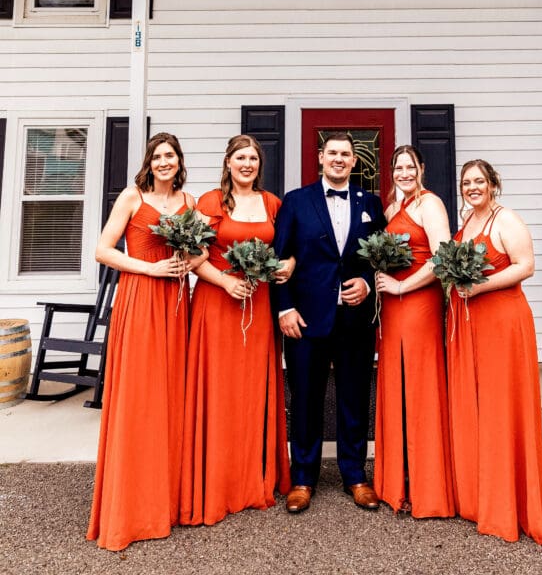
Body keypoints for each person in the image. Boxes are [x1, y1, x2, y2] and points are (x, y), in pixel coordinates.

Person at [87, 132, 205, 552]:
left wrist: (189, 262)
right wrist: (150, 269)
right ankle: (131, 503)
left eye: (170, 156)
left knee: (172, 395)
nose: (164, 162)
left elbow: (202, 254)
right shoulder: (131, 197)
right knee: (139, 396)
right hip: (139, 299)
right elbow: (103, 250)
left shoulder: (190, 204)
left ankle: (167, 498)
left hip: (177, 304)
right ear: (149, 162)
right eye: (158, 157)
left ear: (179, 161)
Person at [180, 134, 292, 524]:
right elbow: (191, 253)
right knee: (219, 389)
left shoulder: (272, 203)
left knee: (251, 388)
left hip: (258, 306)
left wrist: (289, 265)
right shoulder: (210, 202)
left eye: (253, 159)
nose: (247, 164)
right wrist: (225, 281)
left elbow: (290, 247)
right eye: (240, 157)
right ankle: (216, 479)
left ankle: (252, 477)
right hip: (217, 304)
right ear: (227, 162)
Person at [274, 131, 385, 514]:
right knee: (305, 399)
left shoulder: (370, 202)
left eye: (346, 155)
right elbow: (280, 258)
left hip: (354, 319)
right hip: (305, 319)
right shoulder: (295, 201)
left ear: (355, 162)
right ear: (320, 157)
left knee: (355, 397)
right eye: (332, 153)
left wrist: (368, 283)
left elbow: (382, 257)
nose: (339, 159)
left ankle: (355, 475)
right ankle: (303, 478)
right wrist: (284, 308)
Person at [446, 159, 542, 546]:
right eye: (466, 182)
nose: (472, 187)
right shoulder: (467, 224)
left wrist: (479, 286)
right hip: (471, 325)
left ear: (493, 184)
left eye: (479, 181)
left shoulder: (506, 220)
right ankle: (481, 496)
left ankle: (510, 501)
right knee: (478, 408)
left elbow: (526, 266)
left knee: (501, 406)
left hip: (502, 323)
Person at [373, 145, 455, 517]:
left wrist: (404, 286)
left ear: (421, 168)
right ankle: (398, 479)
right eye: (398, 167)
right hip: (391, 306)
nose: (404, 173)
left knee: (420, 384)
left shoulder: (430, 204)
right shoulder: (392, 210)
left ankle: (427, 484)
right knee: (397, 384)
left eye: (410, 166)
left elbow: (441, 258)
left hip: (418, 302)